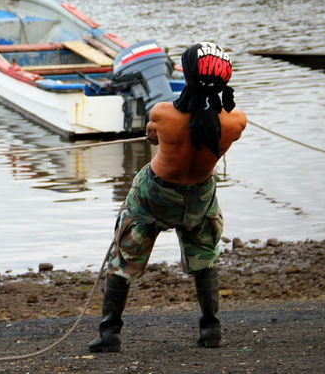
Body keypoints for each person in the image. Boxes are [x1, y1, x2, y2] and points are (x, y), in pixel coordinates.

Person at [88, 42, 247, 353]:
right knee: (204, 259)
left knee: (123, 259)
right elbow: (211, 122)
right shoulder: (236, 121)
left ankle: (110, 334)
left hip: (155, 196)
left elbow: (152, 135)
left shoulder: (162, 113)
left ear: (187, 75)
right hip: (199, 197)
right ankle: (210, 330)